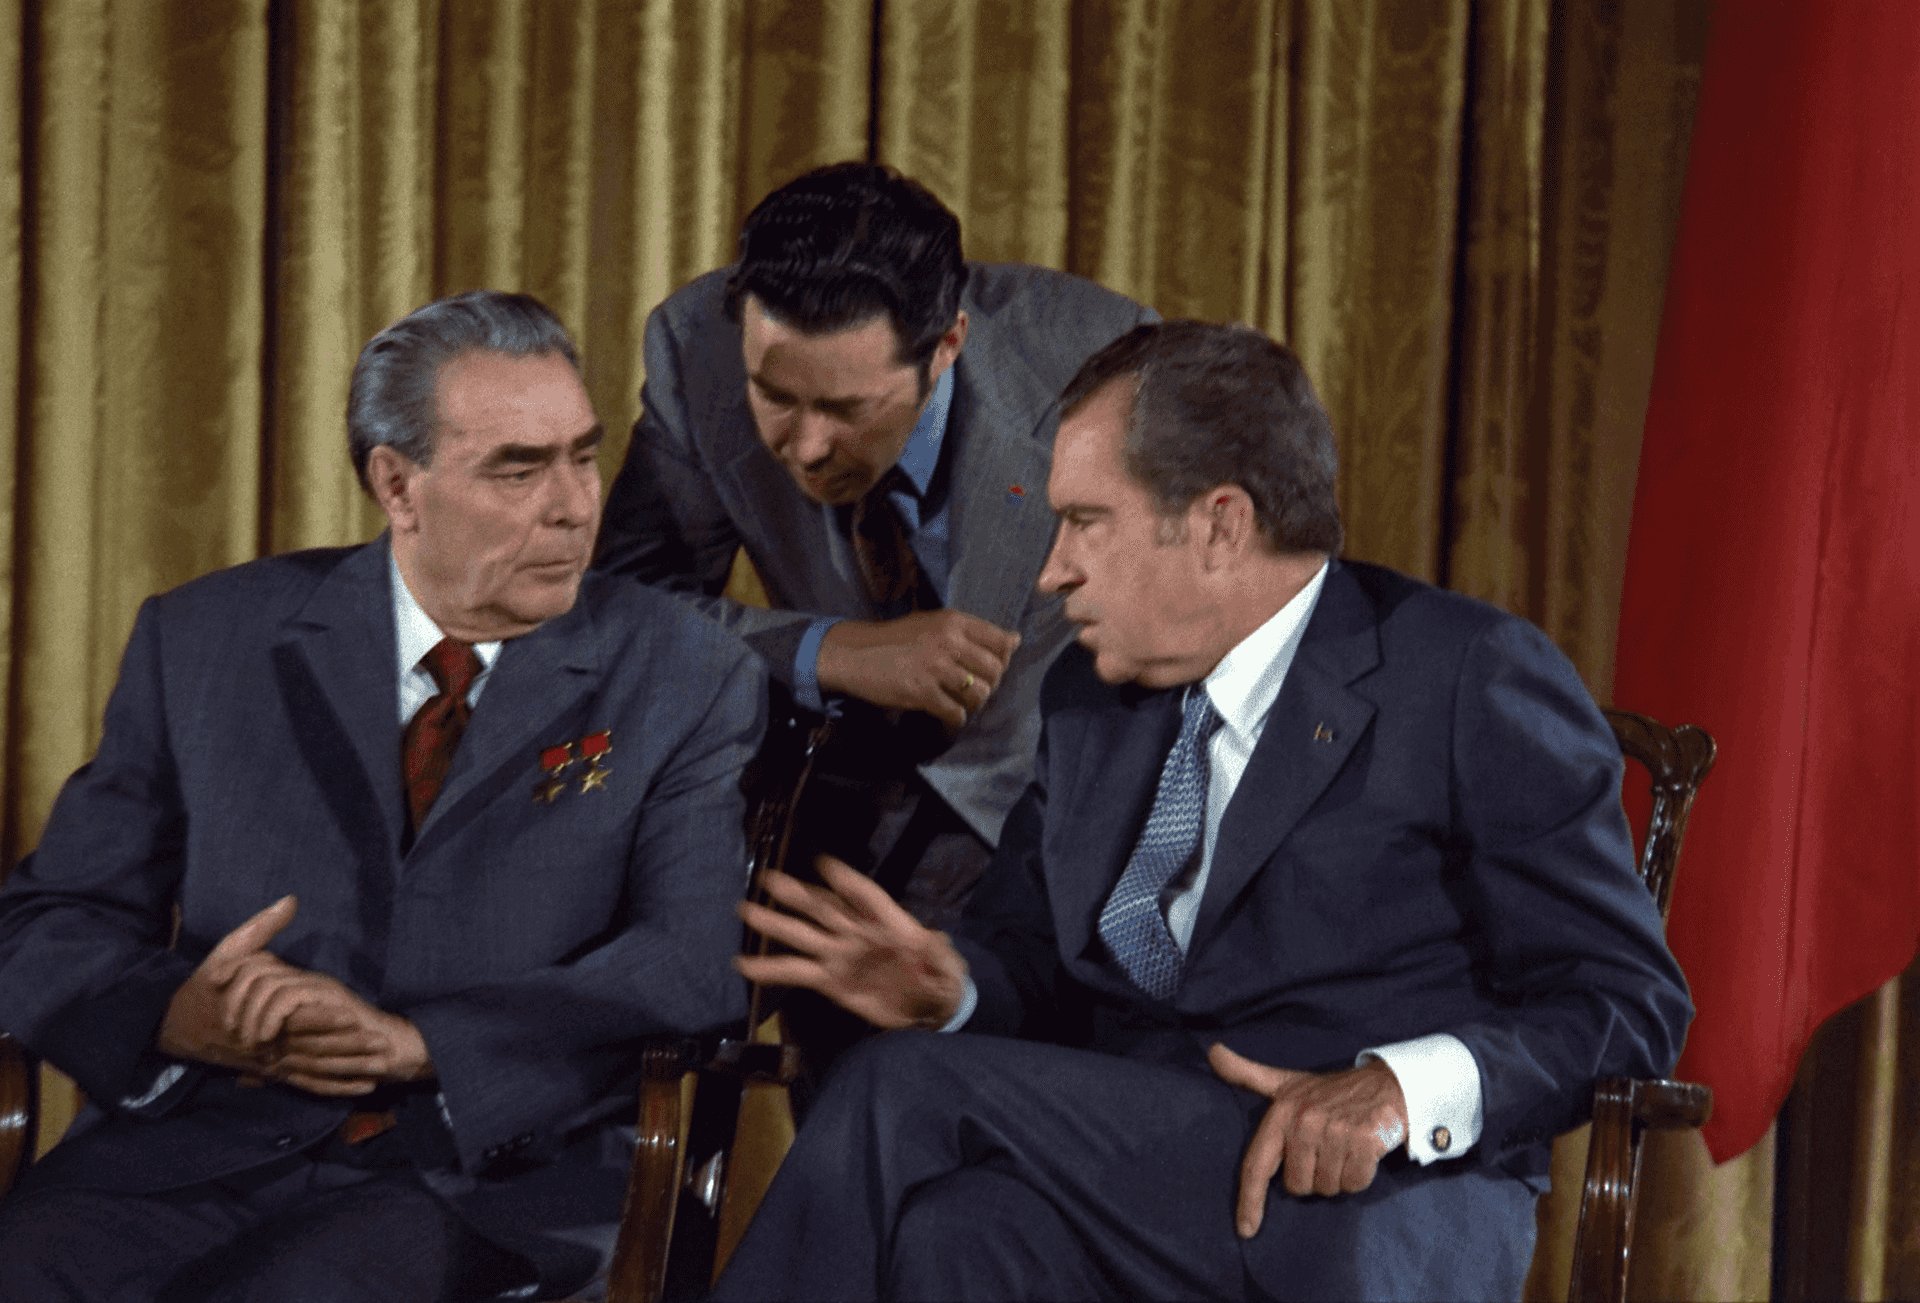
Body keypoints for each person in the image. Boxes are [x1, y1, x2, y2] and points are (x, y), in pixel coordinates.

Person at [716, 320, 1693, 1301]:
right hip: (1134, 1171)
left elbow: (1626, 1000)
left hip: (1354, 1194)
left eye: (1086, 521)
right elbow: (1031, 964)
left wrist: (1401, 1087)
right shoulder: (1088, 702)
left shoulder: (1463, 673)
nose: (1053, 570)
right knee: (958, 1232)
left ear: (1222, 524)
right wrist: (952, 992)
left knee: (899, 1087)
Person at [0, 290, 763, 1302]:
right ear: (398, 485)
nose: (576, 505)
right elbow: (50, 920)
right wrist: (180, 1013)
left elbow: (693, 960)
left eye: (584, 454)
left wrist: (419, 1045)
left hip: (482, 1172)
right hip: (199, 1148)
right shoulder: (206, 638)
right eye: (519, 468)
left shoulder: (683, 670)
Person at [593, 161, 1154, 932]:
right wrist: (827, 651)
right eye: (775, 396)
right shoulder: (697, 349)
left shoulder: (1104, 369)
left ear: (948, 342)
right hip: (820, 787)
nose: (808, 446)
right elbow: (620, 612)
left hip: (1055, 809)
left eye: (847, 406)